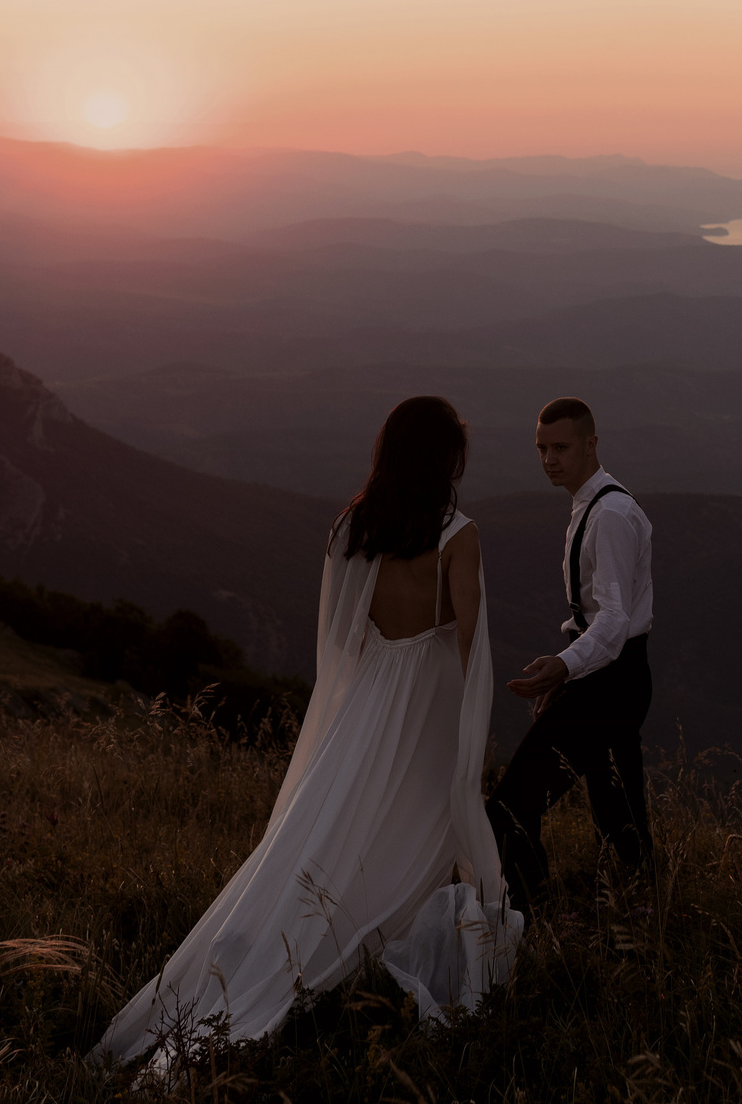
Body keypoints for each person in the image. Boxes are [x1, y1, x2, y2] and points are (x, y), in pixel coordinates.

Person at [91, 396, 520, 1068]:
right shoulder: (456, 534)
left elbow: (339, 640)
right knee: (423, 822)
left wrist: (349, 711)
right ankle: (382, 936)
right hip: (432, 702)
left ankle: (286, 945)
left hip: (369, 695)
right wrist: (476, 729)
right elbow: (472, 641)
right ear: (446, 457)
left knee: (334, 819)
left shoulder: (354, 525)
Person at [484, 396, 656, 911]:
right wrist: (568, 673)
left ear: (590, 444)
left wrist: (565, 665)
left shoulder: (611, 514)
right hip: (609, 679)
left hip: (613, 684)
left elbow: (614, 618)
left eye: (560, 447)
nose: (549, 459)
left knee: (510, 810)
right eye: (541, 448)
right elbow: (600, 621)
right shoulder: (592, 505)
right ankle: (641, 917)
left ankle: (529, 920)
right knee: (619, 813)